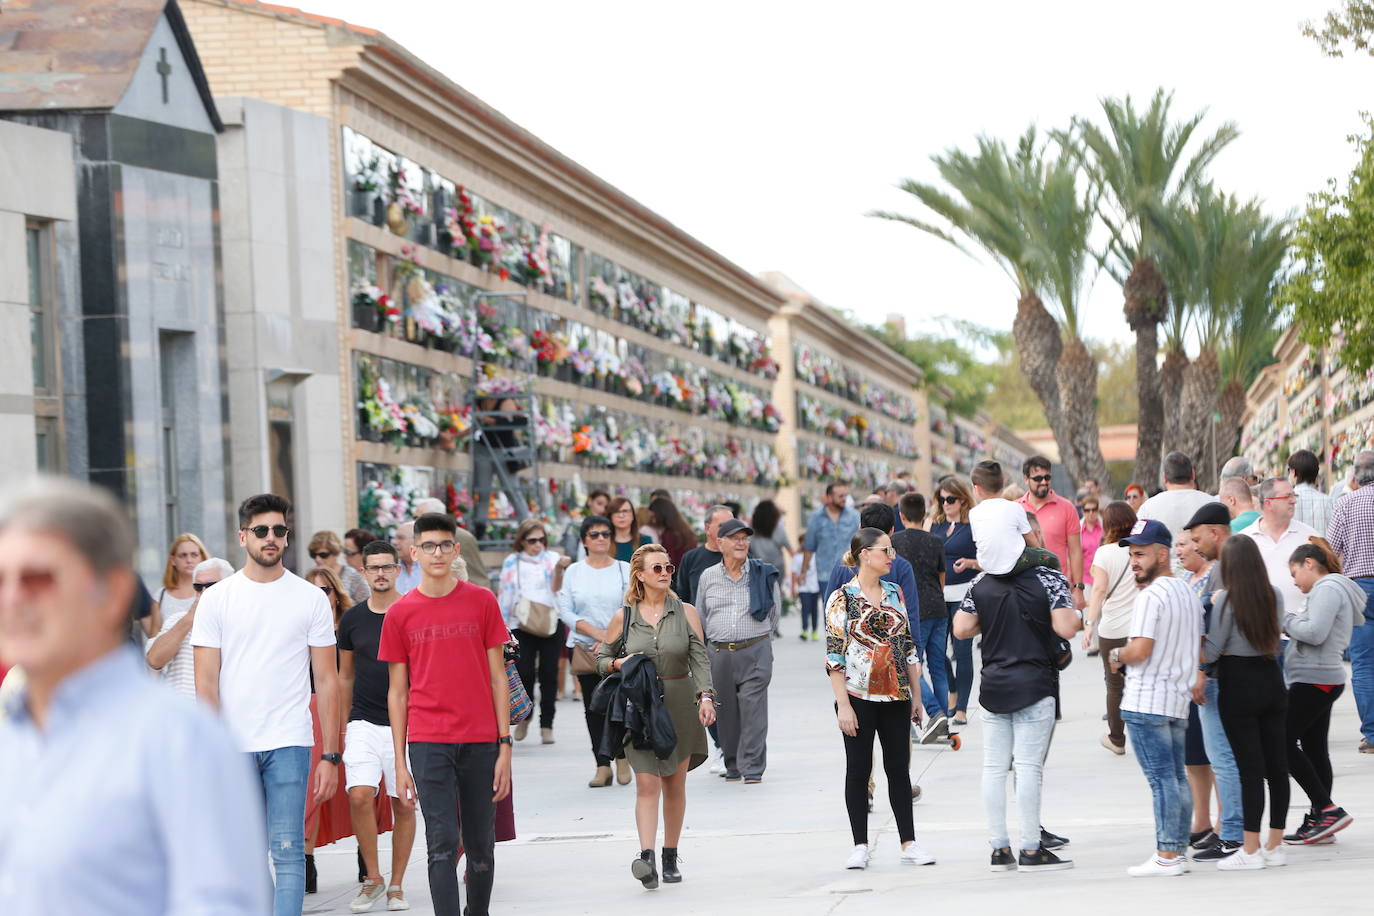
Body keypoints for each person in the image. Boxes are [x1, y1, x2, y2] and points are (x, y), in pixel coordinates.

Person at [0, 478, 268, 915]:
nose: (12, 599)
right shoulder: (10, 739)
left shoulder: (181, 742)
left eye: (37, 578)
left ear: (113, 593)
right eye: (0, 579)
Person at [190, 493, 341, 916]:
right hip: (233, 744)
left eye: (279, 530)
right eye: (261, 530)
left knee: (289, 851)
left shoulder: (309, 598)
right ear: (243, 536)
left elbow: (327, 681)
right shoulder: (217, 598)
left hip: (290, 741)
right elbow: (205, 681)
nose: (271, 538)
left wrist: (331, 753)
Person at [380, 512, 511, 916]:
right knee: (440, 844)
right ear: (414, 552)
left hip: (481, 741)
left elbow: (497, 679)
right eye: (429, 546)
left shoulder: (481, 601)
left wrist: (504, 745)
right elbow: (397, 692)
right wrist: (400, 762)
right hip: (428, 741)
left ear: (456, 550)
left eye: (445, 545)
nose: (437, 553)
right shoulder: (400, 613)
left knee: (481, 846)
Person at [953, 491, 1081, 873]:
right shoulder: (1048, 578)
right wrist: (1077, 615)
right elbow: (1065, 627)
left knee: (993, 768)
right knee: (1028, 768)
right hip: (1034, 684)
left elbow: (961, 629)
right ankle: (1030, 848)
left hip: (992, 687)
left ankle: (998, 848)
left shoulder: (981, 585)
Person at [598, 544, 716, 888]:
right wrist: (621, 663)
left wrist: (705, 697)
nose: (665, 573)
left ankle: (670, 853)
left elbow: (700, 659)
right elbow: (602, 660)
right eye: (657, 569)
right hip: (640, 706)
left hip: (679, 702)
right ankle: (646, 857)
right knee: (647, 783)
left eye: (668, 568)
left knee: (674, 784)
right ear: (640, 576)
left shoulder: (686, 612)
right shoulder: (625, 616)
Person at [826, 527, 936, 870]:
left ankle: (909, 843)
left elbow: (907, 648)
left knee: (898, 769)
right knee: (858, 770)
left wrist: (917, 696)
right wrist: (843, 705)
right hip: (857, 696)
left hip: (896, 694)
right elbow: (834, 656)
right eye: (885, 551)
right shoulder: (842, 598)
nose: (892, 557)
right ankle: (859, 845)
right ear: (864, 555)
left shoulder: (895, 592)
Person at [1108, 520, 1202, 877]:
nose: (1134, 561)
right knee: (1177, 778)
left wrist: (1117, 656)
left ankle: (1166, 854)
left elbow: (1141, 649)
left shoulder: (1150, 596)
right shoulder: (1186, 592)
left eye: (1141, 554)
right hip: (1177, 700)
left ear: (1162, 554)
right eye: (1131, 554)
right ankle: (1177, 852)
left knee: (1163, 780)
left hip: (1147, 701)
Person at [1201, 535, 1290, 870]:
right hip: (1271, 679)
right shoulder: (1275, 595)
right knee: (1277, 769)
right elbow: (1277, 634)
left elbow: (1211, 652)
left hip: (1238, 685)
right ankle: (1274, 845)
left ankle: (1249, 849)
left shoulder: (1226, 601)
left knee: (1249, 771)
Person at [338, 540, 416, 913]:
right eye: (374, 568)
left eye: (388, 567)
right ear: (364, 572)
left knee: (404, 803)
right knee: (359, 795)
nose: (381, 573)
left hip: (411, 723)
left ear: (398, 570)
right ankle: (373, 878)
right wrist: (342, 725)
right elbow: (344, 676)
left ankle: (397, 884)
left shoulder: (414, 610)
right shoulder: (352, 619)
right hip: (363, 721)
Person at [1282, 540, 1362, 845]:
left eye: (1294, 572)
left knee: (1281, 739)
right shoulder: (1329, 589)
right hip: (1318, 677)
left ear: (1309, 564)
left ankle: (1327, 808)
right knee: (1314, 749)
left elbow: (1315, 632)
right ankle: (1322, 818)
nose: (1293, 580)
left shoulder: (1327, 589)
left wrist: (1286, 620)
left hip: (1315, 678)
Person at [1181, 502, 1245, 860]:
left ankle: (1232, 834)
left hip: (1219, 673)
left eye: (1197, 537)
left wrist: (1201, 671)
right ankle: (1229, 829)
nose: (1194, 544)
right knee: (1227, 757)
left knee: (1223, 758)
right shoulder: (1236, 564)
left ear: (1216, 533)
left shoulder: (1223, 570)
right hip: (1237, 672)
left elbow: (1215, 631)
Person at [696, 519, 780, 784]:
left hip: (755, 650)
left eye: (745, 538)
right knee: (727, 713)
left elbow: (774, 614)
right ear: (720, 543)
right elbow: (701, 615)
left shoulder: (763, 573)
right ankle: (732, 764)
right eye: (735, 538)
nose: (742, 543)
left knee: (753, 709)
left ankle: (753, 767)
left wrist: (759, 639)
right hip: (719, 653)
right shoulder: (708, 576)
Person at [556, 515, 632, 788]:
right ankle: (602, 764)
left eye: (605, 534)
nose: (601, 538)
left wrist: (609, 638)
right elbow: (565, 609)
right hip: (586, 647)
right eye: (594, 534)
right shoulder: (574, 571)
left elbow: (630, 606)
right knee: (593, 708)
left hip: (619, 648)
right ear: (584, 540)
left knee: (619, 704)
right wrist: (598, 634)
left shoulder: (624, 569)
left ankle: (622, 756)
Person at [301, 565, 358, 893]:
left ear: (336, 593)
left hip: (350, 712)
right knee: (313, 792)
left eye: (325, 590)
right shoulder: (298, 627)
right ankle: (307, 865)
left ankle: (367, 863)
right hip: (310, 711)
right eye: (313, 591)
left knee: (357, 789)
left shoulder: (348, 626)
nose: (320, 597)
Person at [496, 518, 569, 743]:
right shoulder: (512, 561)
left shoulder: (553, 559)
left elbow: (558, 589)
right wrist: (502, 629)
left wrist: (558, 569)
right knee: (524, 672)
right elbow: (505, 595)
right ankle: (525, 715)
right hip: (521, 623)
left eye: (541, 540)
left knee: (549, 674)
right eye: (532, 540)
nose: (537, 544)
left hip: (550, 621)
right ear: (522, 541)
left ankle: (547, 724)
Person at [1326, 449, 1374, 753]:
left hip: (1360, 589)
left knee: (1364, 662)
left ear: (1354, 477)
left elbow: (1329, 550)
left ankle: (1372, 733)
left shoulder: (1346, 503)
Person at [1082, 501, 1138, 754]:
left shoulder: (1104, 553)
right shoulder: (1141, 548)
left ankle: (1117, 739)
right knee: (1141, 680)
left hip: (1113, 630)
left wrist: (1089, 624)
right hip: (1140, 627)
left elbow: (1100, 591)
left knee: (1115, 685)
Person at [892, 494, 949, 740]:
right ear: (924, 514)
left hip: (913, 611)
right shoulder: (935, 541)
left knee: (912, 664)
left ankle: (935, 712)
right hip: (938, 607)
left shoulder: (894, 542)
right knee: (938, 666)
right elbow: (941, 576)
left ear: (902, 516)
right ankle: (944, 718)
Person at [146, 556, 233, 697]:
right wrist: (190, 618)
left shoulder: (239, 622)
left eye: (211, 586)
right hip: (181, 714)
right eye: (198, 587)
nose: (204, 592)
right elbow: (154, 661)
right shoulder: (178, 620)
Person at [932, 476, 977, 724]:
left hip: (965, 594)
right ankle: (952, 691)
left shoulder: (972, 525)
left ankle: (962, 707)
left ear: (962, 500)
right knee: (937, 651)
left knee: (962, 650)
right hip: (938, 594)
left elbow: (987, 559)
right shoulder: (935, 525)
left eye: (950, 499)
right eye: (942, 499)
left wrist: (971, 563)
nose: (946, 503)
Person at [1017, 456, 1086, 611]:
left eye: (1047, 477)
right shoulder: (1015, 509)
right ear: (1026, 479)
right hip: (1023, 589)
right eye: (1038, 478)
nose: (1044, 482)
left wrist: (1079, 588)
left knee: (1059, 634)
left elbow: (1075, 551)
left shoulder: (1067, 508)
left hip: (1058, 590)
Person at [1137, 451, 1218, 575]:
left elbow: (1140, 546)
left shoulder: (1148, 507)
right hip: (1206, 574)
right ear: (1193, 474)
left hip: (1164, 576)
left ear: (1165, 478)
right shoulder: (1212, 503)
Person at [413, 497, 492, 593]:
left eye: (418, 518)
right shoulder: (417, 535)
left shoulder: (461, 537)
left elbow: (475, 573)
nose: (414, 522)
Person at [149, 532, 208, 644]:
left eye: (194, 554)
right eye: (183, 555)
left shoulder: (211, 592)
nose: (189, 560)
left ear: (202, 558)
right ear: (173, 560)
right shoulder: (161, 596)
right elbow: (153, 642)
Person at [802, 481, 859, 589]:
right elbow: (809, 547)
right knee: (828, 605)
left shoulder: (855, 516)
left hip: (850, 574)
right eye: (840, 496)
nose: (844, 499)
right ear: (829, 497)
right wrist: (803, 571)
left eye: (845, 495)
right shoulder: (816, 518)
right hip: (825, 576)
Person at [674, 504, 732, 605]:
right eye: (722, 526)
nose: (729, 530)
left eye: (731, 526)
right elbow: (682, 596)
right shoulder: (690, 558)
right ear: (707, 527)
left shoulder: (741, 558)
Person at [310, 530, 372, 606]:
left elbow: (368, 604)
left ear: (335, 553)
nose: (317, 559)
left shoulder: (352, 575)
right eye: (313, 554)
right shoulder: (311, 576)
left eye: (323, 555)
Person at [1288, 450, 1333, 536]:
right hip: (1321, 549)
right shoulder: (1328, 501)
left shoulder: (1287, 500)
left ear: (1294, 472)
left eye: (1288, 470)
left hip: (1295, 549)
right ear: (1316, 474)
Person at [647, 496, 696, 569]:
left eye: (654, 516)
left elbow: (669, 562)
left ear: (661, 514)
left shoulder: (669, 535)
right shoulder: (685, 530)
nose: (653, 520)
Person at [748, 499, 791, 572]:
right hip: (777, 568)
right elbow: (789, 548)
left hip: (758, 568)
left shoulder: (752, 531)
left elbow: (749, 548)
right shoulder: (778, 529)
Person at [607, 496, 652, 563]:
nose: (621, 515)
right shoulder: (603, 541)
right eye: (616, 512)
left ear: (633, 515)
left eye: (625, 511)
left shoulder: (645, 541)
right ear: (610, 516)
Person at [1079, 497, 1104, 595]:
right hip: (1085, 578)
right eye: (1087, 510)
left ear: (1098, 510)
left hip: (1103, 576)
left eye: (1094, 510)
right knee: (1088, 609)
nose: (1091, 513)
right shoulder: (1078, 529)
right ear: (1082, 511)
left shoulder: (1104, 527)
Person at [392, 522, 421, 594]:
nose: (395, 542)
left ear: (417, 541)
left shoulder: (430, 568)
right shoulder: (390, 569)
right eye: (395, 538)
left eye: (400, 538)